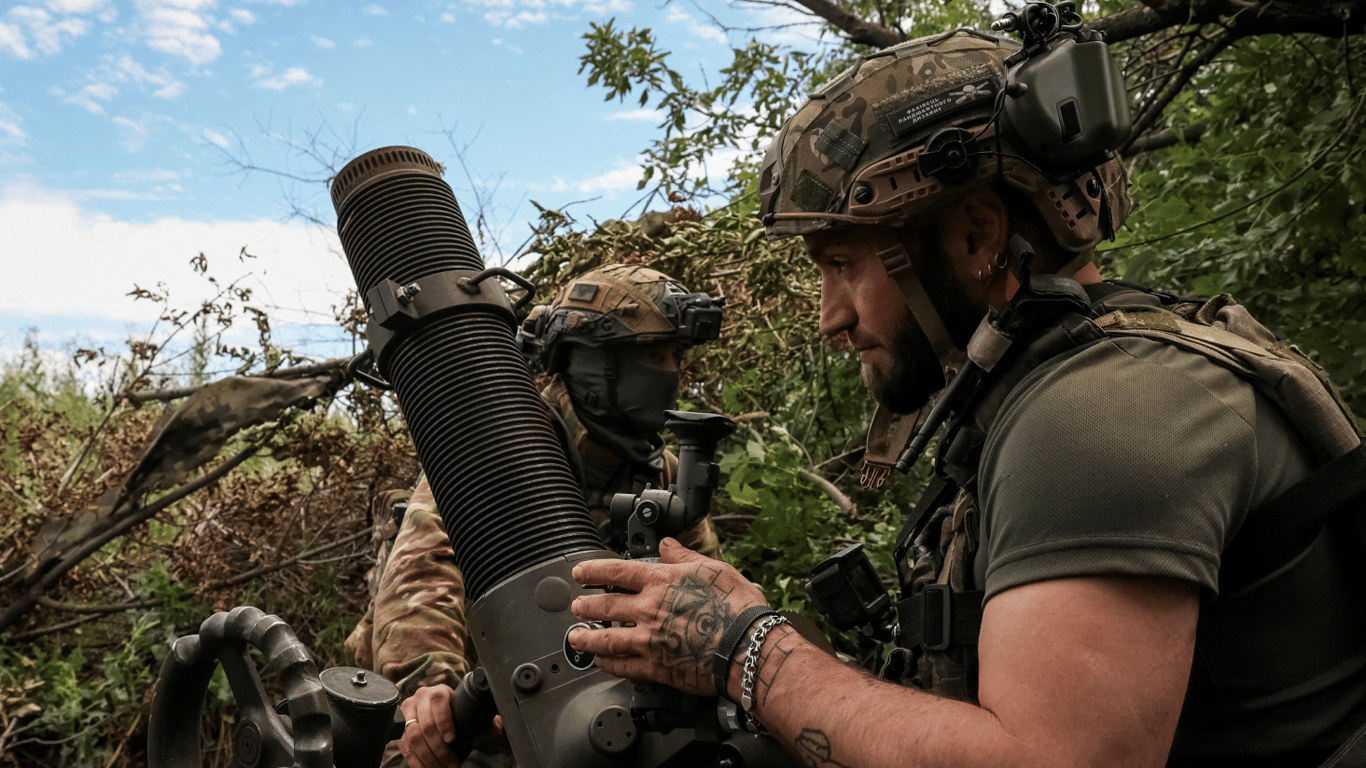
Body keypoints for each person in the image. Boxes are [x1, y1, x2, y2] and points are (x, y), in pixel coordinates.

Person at [564, 27, 1366, 768]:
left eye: (842, 264)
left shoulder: (1101, 411)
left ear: (977, 235)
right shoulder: (1082, 377)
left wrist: (750, 654)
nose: (830, 319)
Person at [350, 262, 725, 768]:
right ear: (593, 365)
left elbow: (704, 593)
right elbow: (423, 578)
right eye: (654, 356)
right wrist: (430, 692)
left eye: (675, 356)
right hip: (479, 694)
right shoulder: (505, 441)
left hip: (593, 701)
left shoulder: (660, 471)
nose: (671, 374)